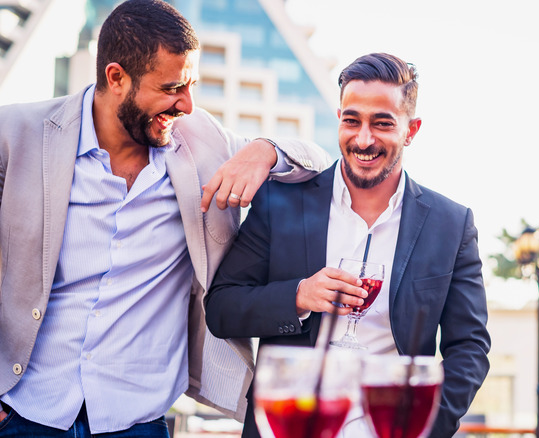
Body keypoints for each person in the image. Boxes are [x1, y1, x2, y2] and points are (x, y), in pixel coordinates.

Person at [0, 0, 330, 436]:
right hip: (24, 414)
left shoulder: (202, 144)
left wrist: (265, 150)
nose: (188, 105)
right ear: (116, 78)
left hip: (138, 422)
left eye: (191, 85)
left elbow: (322, 165)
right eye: (173, 87)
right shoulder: (16, 136)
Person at [204, 52, 491, 438]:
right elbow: (221, 309)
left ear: (411, 130)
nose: (364, 139)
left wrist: (424, 427)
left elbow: (469, 349)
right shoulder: (281, 201)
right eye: (351, 120)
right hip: (289, 426)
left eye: (382, 123)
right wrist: (299, 296)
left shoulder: (452, 225)